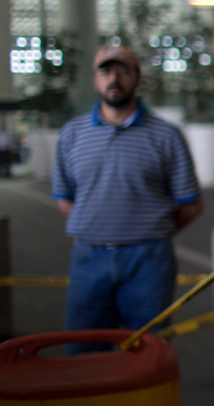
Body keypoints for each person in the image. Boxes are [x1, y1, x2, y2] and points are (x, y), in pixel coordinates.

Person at [52, 44, 204, 354]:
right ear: (95, 80)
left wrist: (149, 232)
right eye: (105, 70)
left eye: (123, 70)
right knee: (82, 354)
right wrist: (100, 227)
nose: (114, 78)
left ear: (137, 78)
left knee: (148, 354)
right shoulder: (72, 135)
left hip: (148, 262)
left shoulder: (165, 136)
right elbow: (65, 199)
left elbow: (191, 204)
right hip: (88, 259)